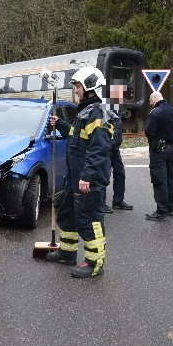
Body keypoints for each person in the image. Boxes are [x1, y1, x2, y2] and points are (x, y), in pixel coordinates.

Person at [46, 66, 112, 278]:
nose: (75, 90)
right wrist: (61, 124)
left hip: (87, 179)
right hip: (75, 177)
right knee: (68, 214)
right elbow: (77, 138)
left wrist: (87, 176)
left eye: (77, 86)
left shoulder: (98, 114)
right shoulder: (84, 112)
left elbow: (98, 149)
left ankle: (95, 263)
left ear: (90, 87)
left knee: (89, 218)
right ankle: (67, 253)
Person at [144, 91, 173, 221]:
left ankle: (161, 210)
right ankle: (171, 208)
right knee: (171, 179)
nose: (151, 105)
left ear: (154, 100)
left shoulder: (155, 113)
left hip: (158, 150)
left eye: (151, 102)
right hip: (172, 148)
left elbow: (149, 132)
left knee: (159, 179)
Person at [102, 83, 132, 212]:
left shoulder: (118, 109)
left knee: (120, 174)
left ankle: (118, 201)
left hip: (115, 148)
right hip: (106, 147)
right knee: (104, 176)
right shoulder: (105, 108)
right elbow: (101, 128)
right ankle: (101, 203)